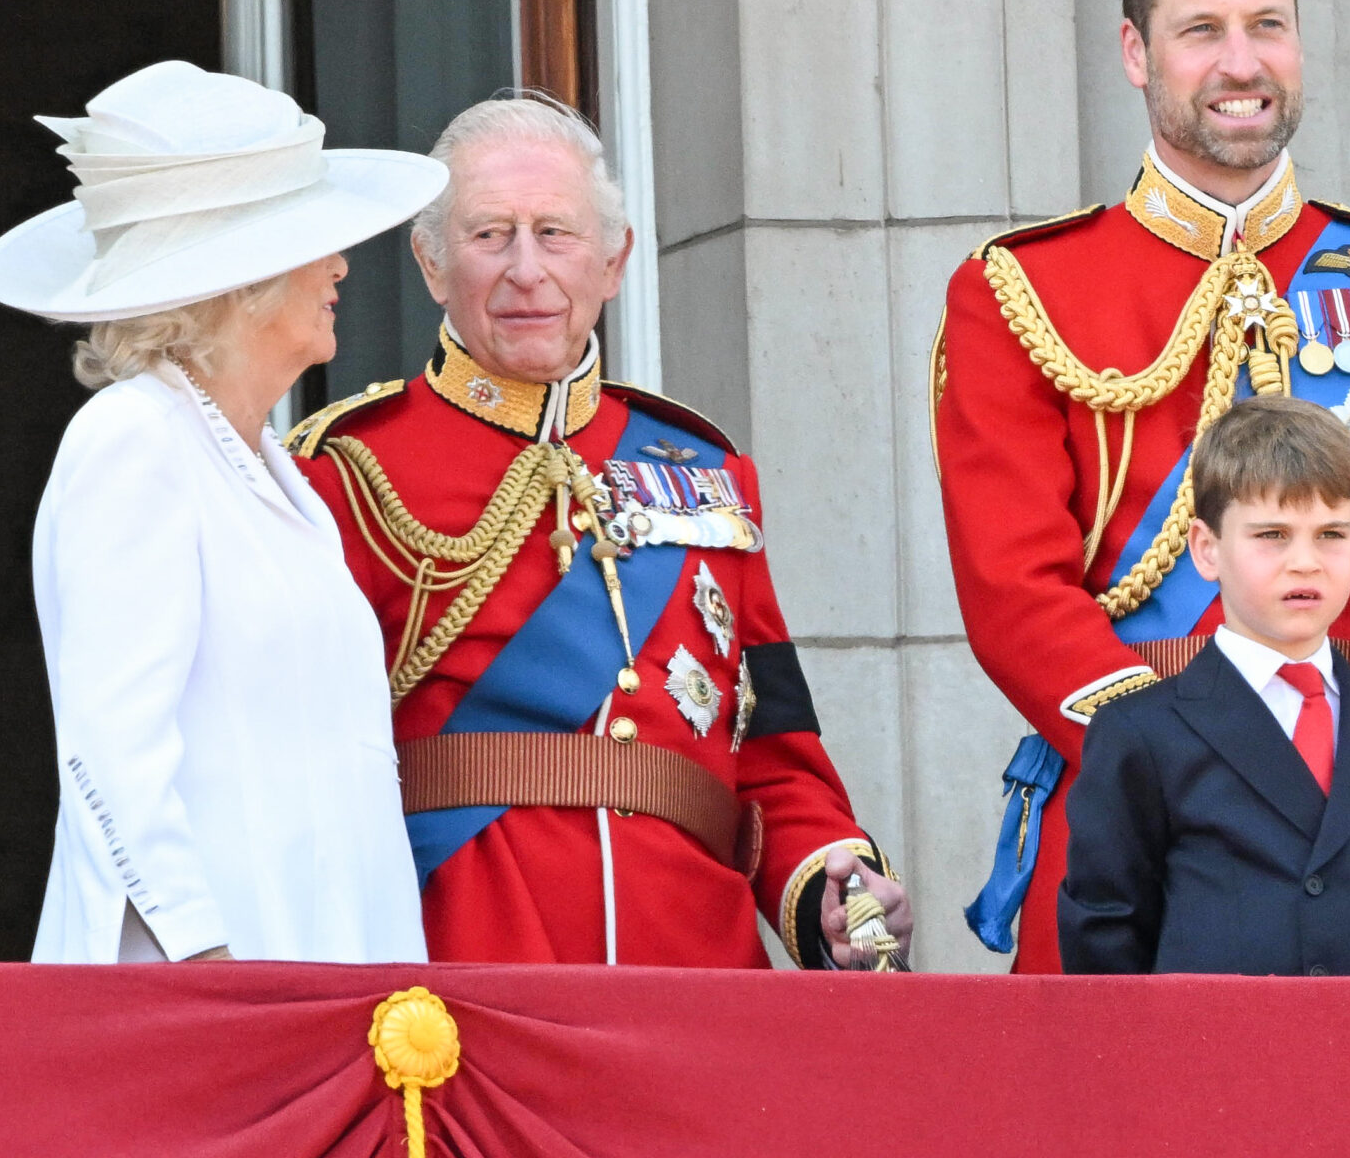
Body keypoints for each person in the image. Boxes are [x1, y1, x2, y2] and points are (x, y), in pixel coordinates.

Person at [933, 0, 1350, 971]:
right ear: (1134, 52)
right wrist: (1158, 753)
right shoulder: (1016, 291)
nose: (1241, 62)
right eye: (1202, 29)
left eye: (1268, 26)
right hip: (1129, 797)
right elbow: (1010, 585)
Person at [288, 94, 910, 969]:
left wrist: (829, 883)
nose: (526, 270)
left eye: (556, 233)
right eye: (489, 235)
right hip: (463, 968)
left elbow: (771, 757)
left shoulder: (708, 475)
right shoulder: (341, 473)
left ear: (614, 261)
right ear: (431, 264)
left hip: (695, 975)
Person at [0, 60, 441, 963]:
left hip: (320, 979)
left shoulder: (273, 467)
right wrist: (202, 960)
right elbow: (111, 756)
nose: (343, 263)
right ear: (244, 280)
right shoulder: (136, 439)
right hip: (204, 996)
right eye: (318, 239)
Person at [1059, 398, 1350, 975]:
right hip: (1215, 1056)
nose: (1305, 562)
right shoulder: (1142, 731)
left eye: (1330, 534)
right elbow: (1106, 937)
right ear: (1207, 549)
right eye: (1272, 534)